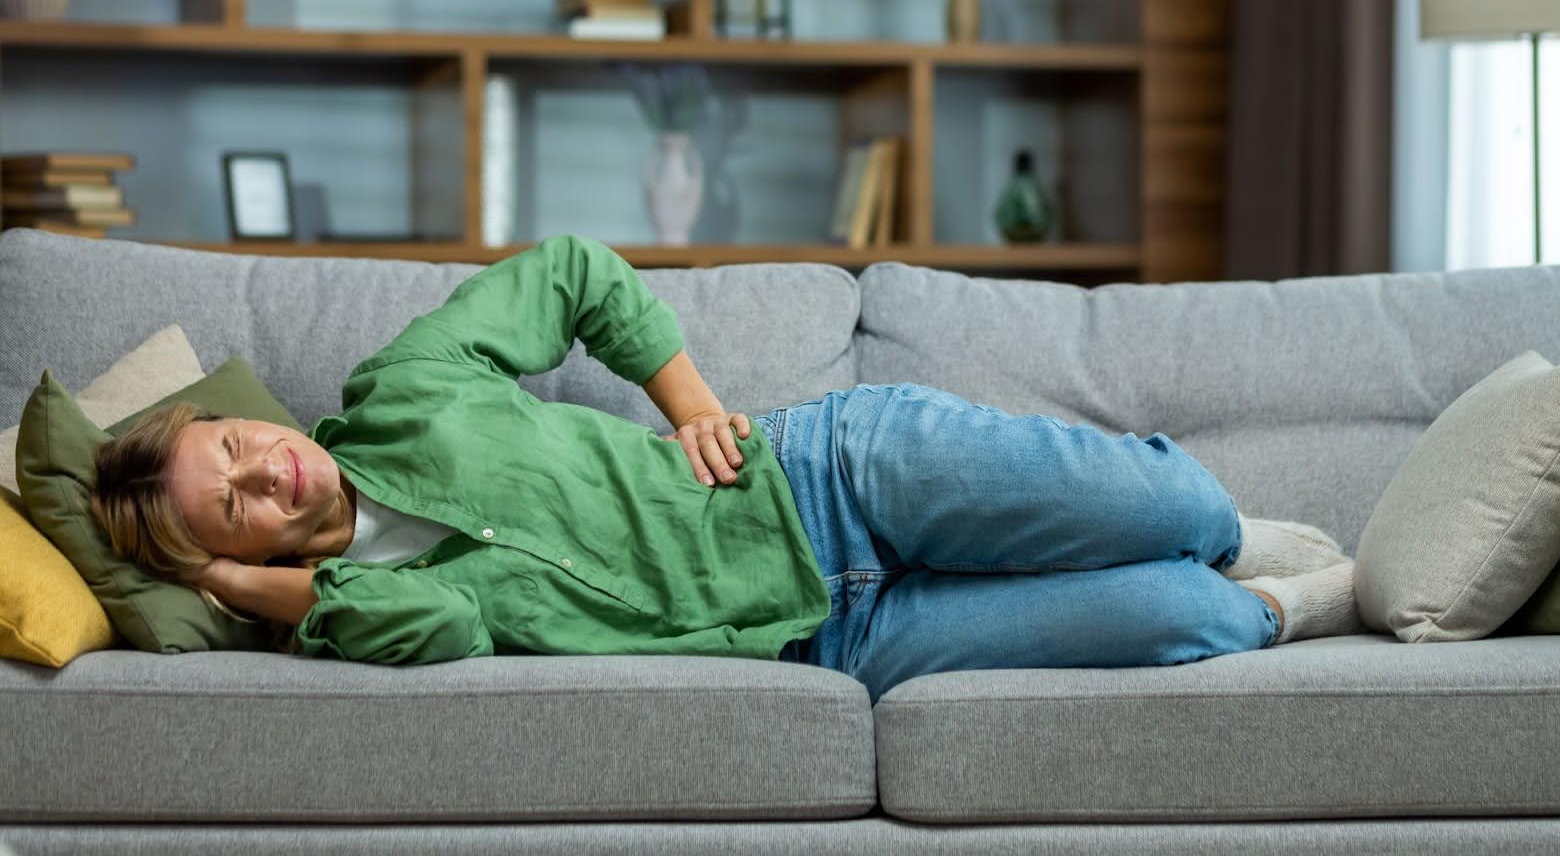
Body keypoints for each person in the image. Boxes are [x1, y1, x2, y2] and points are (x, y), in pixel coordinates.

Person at [91, 234, 1365, 704]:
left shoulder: (400, 391)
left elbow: (573, 271)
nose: (272, 472)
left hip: (827, 478)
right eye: (240, 508)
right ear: (241, 558)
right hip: (828, 640)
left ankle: (1233, 529)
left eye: (239, 442)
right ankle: (1274, 598)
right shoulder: (369, 611)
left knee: (1177, 506)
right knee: (1188, 618)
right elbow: (441, 626)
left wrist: (689, 401)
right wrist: (269, 601)